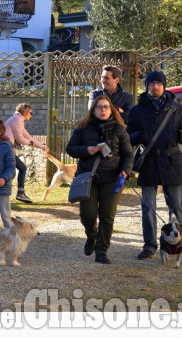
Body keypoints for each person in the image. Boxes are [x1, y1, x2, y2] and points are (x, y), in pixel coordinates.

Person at [127, 70, 182, 261]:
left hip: (172, 160)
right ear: (146, 85)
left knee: (176, 206)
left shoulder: (175, 108)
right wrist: (140, 136)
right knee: (148, 206)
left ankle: (176, 243)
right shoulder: (137, 110)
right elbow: (128, 135)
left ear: (164, 86)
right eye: (151, 83)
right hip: (148, 161)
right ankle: (149, 246)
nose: (155, 86)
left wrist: (180, 136)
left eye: (159, 83)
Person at [66, 95, 133, 264]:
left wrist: (125, 170)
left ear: (111, 110)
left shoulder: (119, 129)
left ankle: (101, 251)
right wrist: (86, 150)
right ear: (93, 109)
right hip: (88, 177)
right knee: (87, 214)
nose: (103, 110)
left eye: (106, 107)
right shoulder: (82, 127)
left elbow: (127, 154)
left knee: (107, 215)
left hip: (112, 177)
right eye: (99, 107)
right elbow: (70, 149)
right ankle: (91, 235)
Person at [4, 103, 49, 203]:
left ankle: (15, 193)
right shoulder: (17, 119)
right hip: (6, 147)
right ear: (25, 112)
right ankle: (18, 194)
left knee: (14, 169)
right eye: (30, 113)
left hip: (6, 146)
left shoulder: (18, 120)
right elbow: (20, 138)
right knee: (20, 168)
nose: (31, 115)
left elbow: (28, 136)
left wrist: (42, 147)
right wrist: (31, 143)